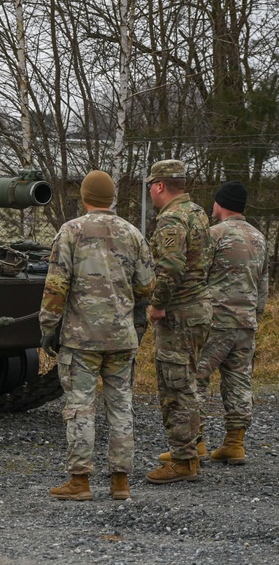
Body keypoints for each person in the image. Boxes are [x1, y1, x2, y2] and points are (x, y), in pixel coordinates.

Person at [40, 170, 155, 501]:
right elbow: (147, 286)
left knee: (80, 406)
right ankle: (120, 482)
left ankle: (80, 481)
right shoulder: (133, 234)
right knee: (121, 406)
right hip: (121, 337)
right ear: (112, 199)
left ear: (85, 197)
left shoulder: (71, 232)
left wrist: (49, 328)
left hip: (81, 338)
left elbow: (56, 287)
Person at [144, 159, 212, 484]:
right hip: (199, 307)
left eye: (150, 187)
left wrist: (158, 304)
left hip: (180, 312)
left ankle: (184, 462)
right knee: (188, 380)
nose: (150, 193)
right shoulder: (197, 212)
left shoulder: (172, 218)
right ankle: (193, 446)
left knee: (175, 386)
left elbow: (170, 266)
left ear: (159, 186)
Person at [197, 182, 268, 465]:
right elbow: (262, 285)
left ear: (220, 204)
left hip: (215, 321)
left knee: (196, 378)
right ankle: (235, 444)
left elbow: (197, 276)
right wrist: (255, 316)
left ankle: (195, 442)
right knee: (239, 380)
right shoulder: (259, 238)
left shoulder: (213, 235)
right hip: (246, 322)